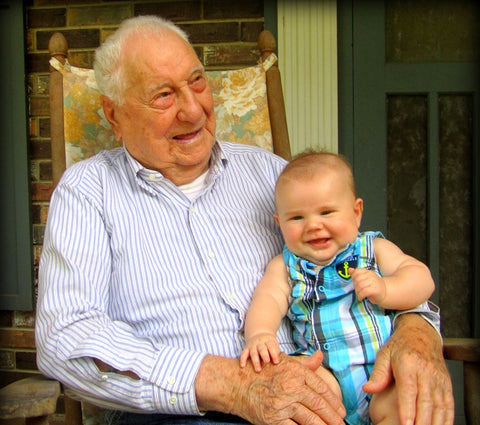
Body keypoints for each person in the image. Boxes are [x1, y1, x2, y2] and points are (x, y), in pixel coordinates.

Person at [35, 15, 454, 425]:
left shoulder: (273, 175)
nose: (193, 109)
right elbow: (65, 338)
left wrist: (416, 329)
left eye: (197, 81)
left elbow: (366, 262)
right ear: (115, 116)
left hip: (325, 394)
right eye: (163, 95)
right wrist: (231, 385)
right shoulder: (87, 192)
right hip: (182, 411)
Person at [239, 151, 435, 424]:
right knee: (303, 390)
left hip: (383, 374)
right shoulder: (285, 267)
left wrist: (386, 289)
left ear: (356, 213)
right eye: (297, 218)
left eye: (327, 212)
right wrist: (260, 334)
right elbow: (268, 299)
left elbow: (421, 278)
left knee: (403, 405)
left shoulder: (372, 250)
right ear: (279, 223)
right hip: (326, 377)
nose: (314, 225)